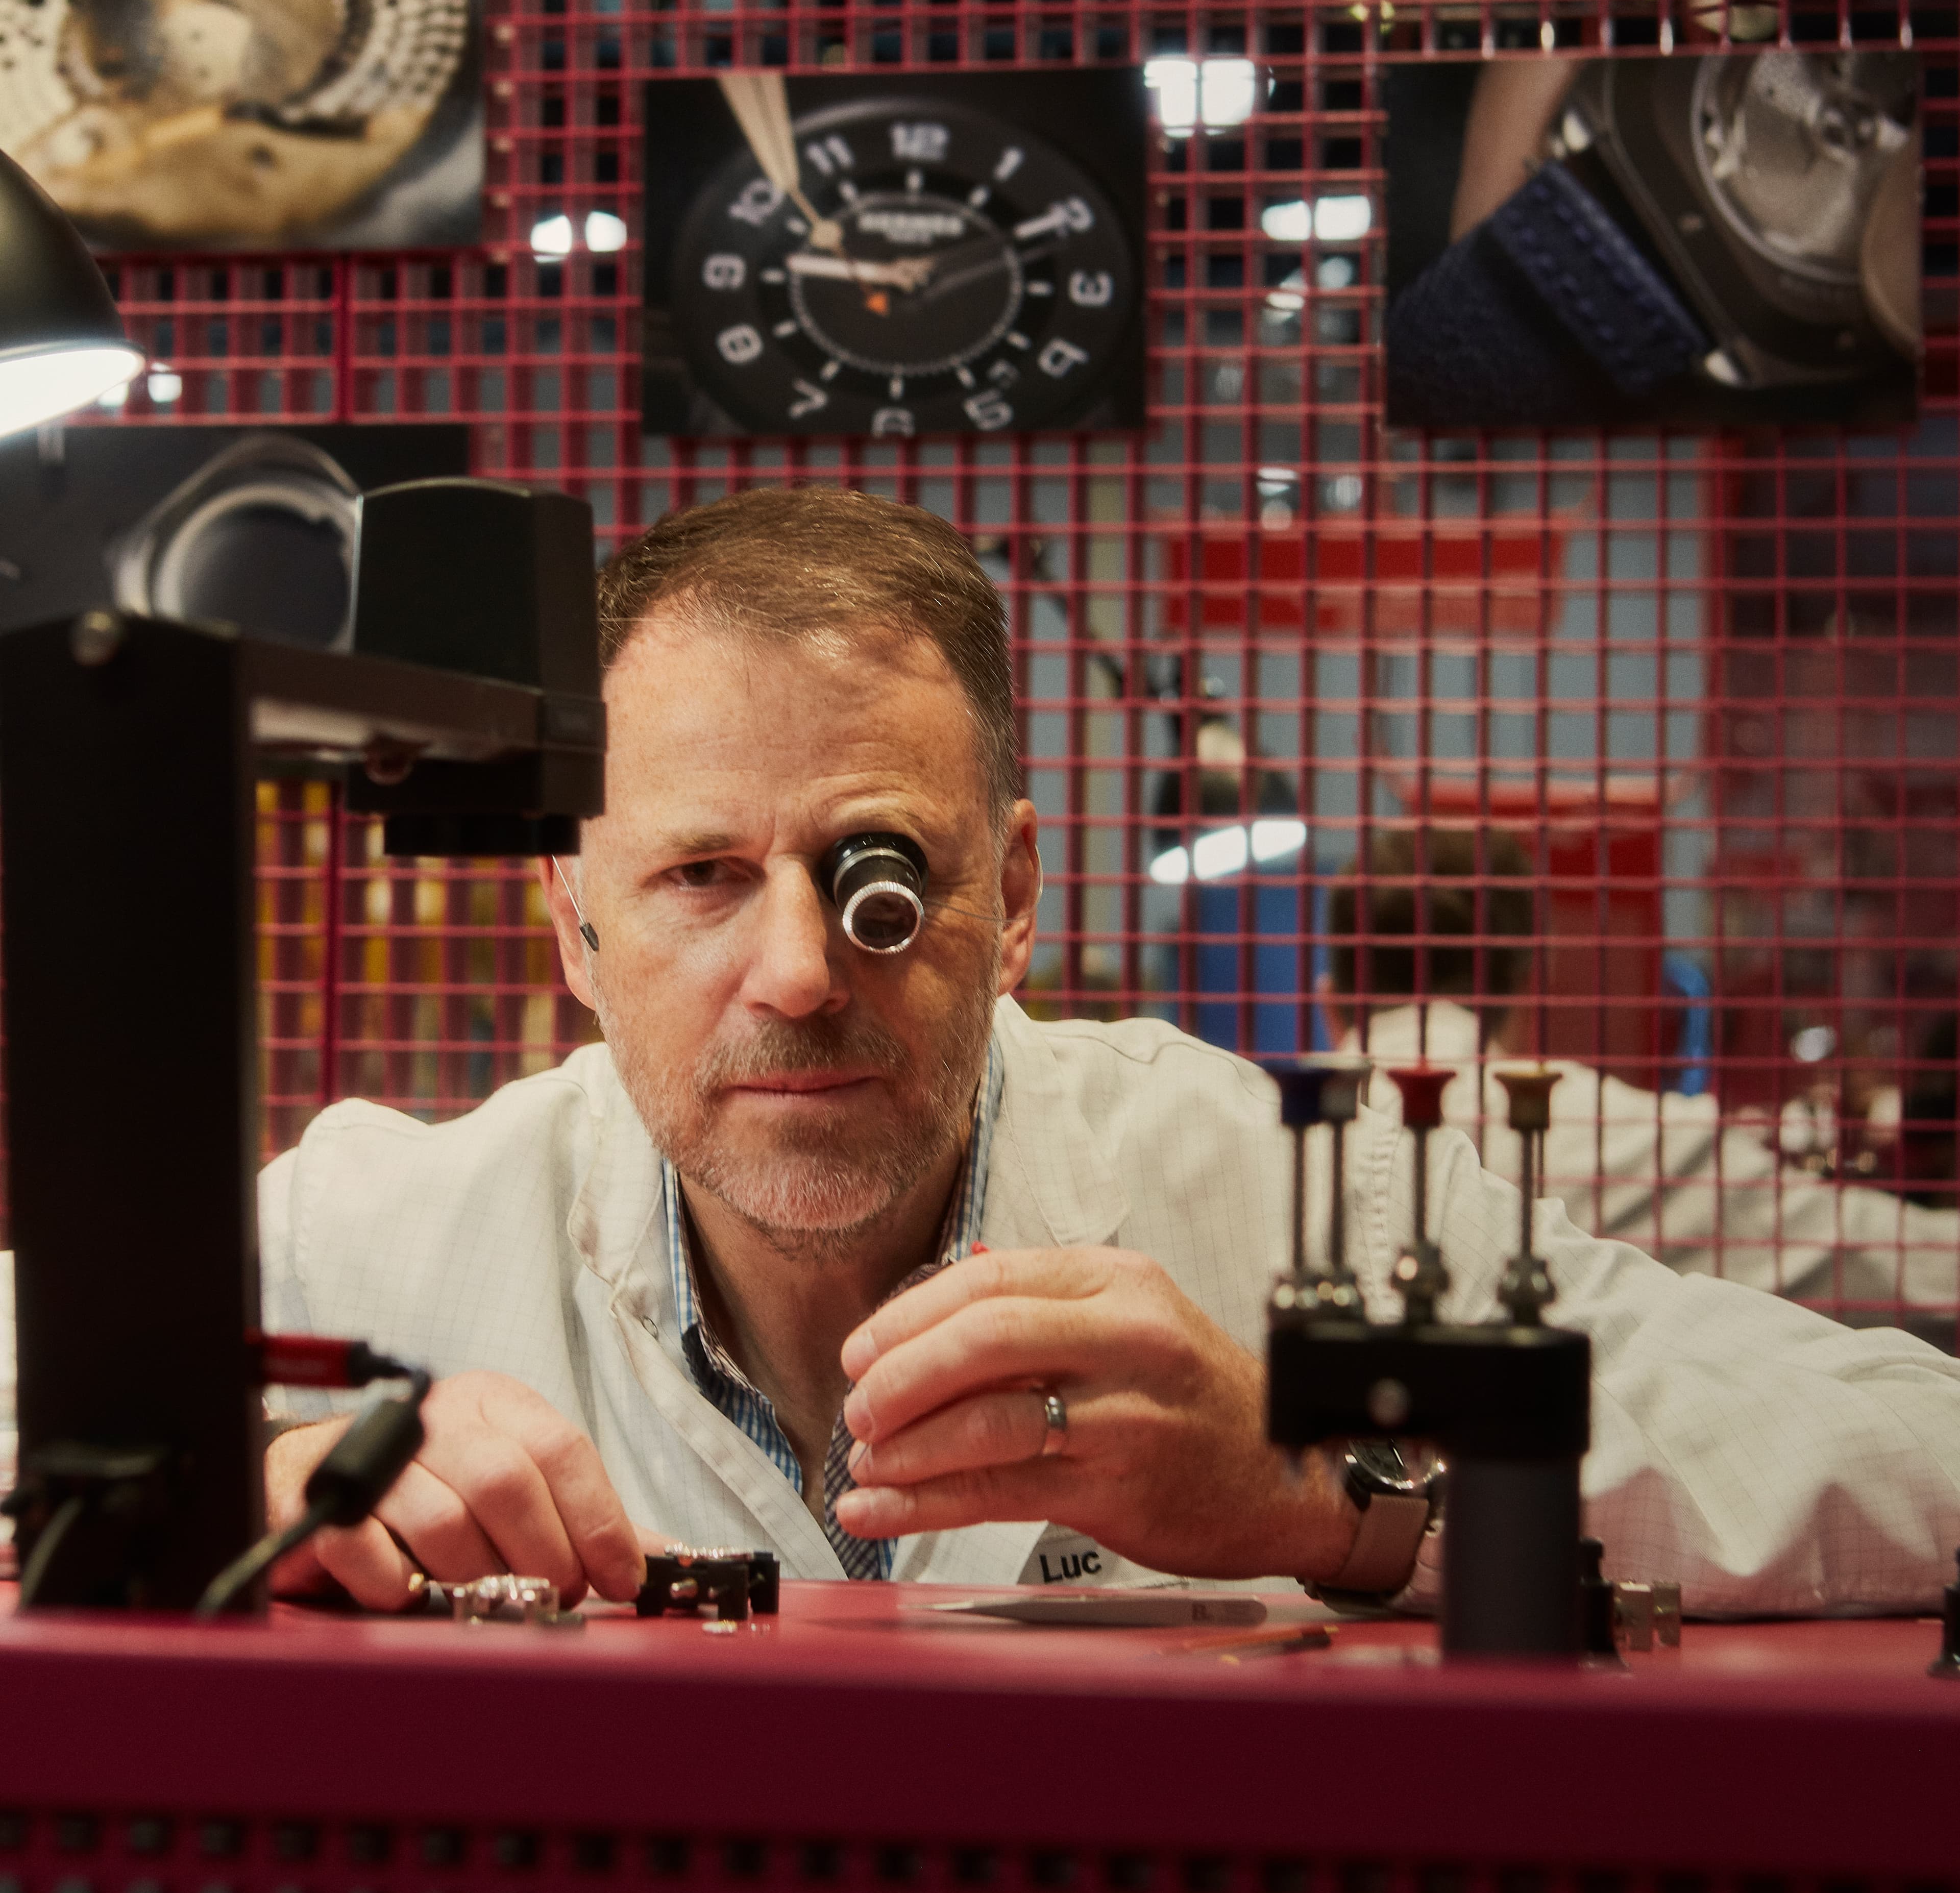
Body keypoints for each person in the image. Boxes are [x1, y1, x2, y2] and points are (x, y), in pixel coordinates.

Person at [237, 488, 1960, 1623]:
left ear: (1017, 897)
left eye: (878, 875)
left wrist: (1323, 1491)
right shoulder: (378, 1231)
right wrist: (259, 1493)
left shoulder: (1307, 1203)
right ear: (574, 926)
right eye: (700, 877)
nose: (801, 973)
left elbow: (1921, 1441)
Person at [1325, 830, 1960, 1338]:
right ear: (1532, 976)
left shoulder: (1279, 1137)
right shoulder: (1623, 1140)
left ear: (1331, 1003)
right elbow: (1908, 1268)